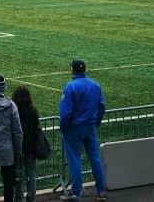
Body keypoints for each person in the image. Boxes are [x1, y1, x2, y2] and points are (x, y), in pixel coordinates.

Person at [59, 59, 107, 201]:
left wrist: (64, 127)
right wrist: (95, 123)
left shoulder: (70, 87)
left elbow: (66, 112)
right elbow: (101, 107)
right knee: (95, 158)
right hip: (90, 126)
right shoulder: (95, 85)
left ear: (72, 70)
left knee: (74, 159)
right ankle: (101, 190)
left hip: (74, 128)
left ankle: (76, 192)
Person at [12, 86, 40, 202]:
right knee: (31, 175)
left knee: (18, 177)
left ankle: (19, 199)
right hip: (31, 148)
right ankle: (31, 198)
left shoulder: (14, 111)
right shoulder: (33, 111)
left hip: (18, 149)